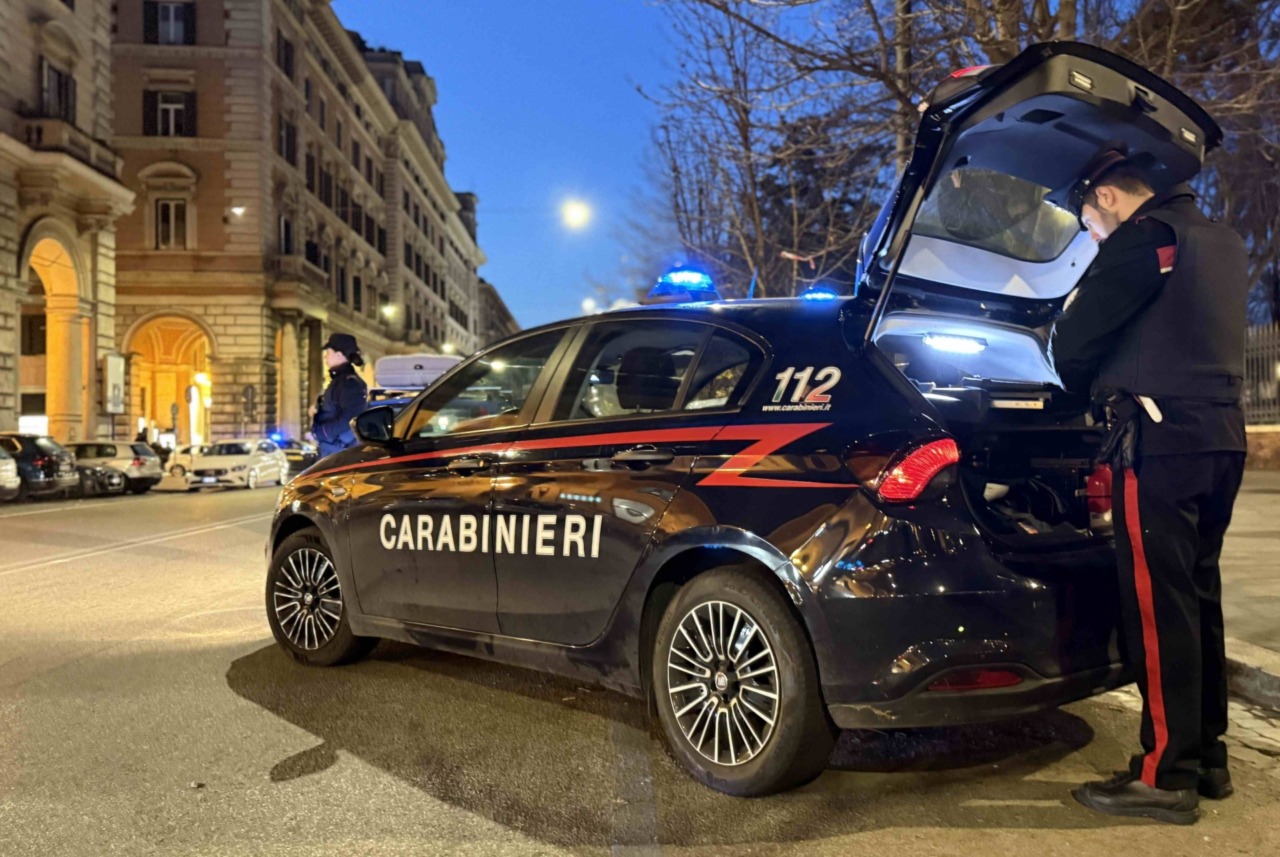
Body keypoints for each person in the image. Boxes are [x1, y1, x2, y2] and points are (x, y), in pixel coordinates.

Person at [1050, 150, 1249, 825]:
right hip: (1222, 435)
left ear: (1106, 195)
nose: (1093, 236)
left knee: (1160, 612)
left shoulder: (1146, 236)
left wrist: (1068, 386)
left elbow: (1076, 338)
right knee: (1197, 598)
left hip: (1160, 442)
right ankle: (1209, 756)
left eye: (1089, 223)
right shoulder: (1219, 239)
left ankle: (1164, 774)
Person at [311, 332, 369, 458]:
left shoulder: (349, 383)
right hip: (334, 448)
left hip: (338, 451)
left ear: (338, 355)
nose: (325, 357)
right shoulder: (341, 381)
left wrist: (322, 432)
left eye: (328, 353)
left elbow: (350, 418)